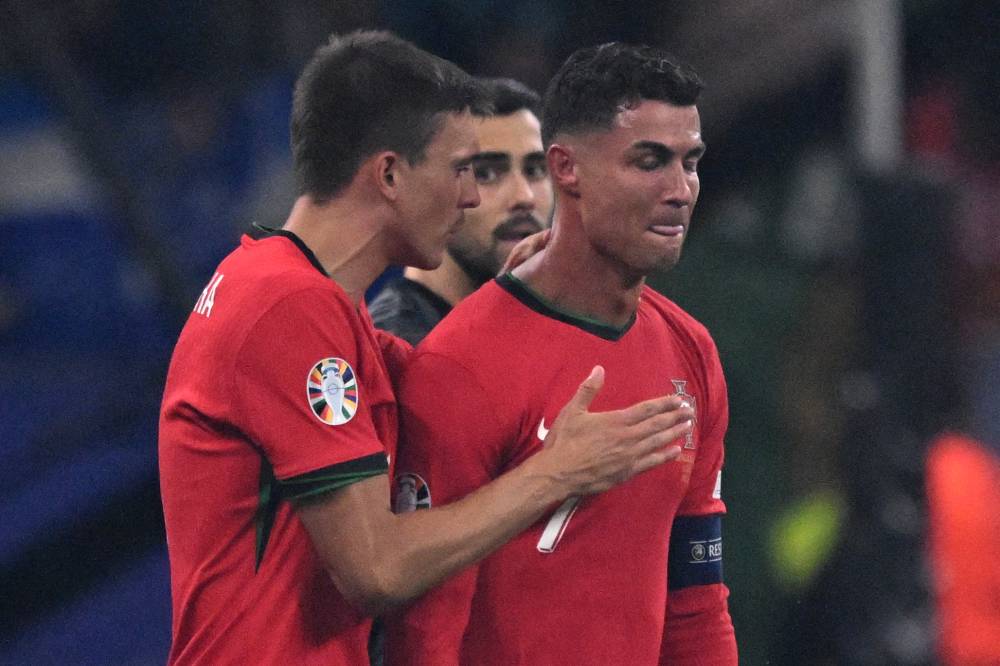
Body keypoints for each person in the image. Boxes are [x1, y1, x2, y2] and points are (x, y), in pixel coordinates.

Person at [158, 31, 695, 665]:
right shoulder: (289, 310)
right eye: (463, 169)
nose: (471, 198)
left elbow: (450, 381)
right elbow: (377, 570)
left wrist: (527, 284)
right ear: (389, 174)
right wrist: (556, 473)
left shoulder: (306, 299)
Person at [386, 42, 738, 665]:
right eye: (650, 160)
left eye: (692, 161)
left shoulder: (692, 352)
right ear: (567, 169)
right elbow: (427, 631)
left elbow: (697, 600)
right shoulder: (461, 365)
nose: (681, 189)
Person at [369, 77, 554, 345]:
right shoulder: (396, 349)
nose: (524, 197)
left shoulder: (562, 322)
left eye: (536, 170)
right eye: (486, 173)